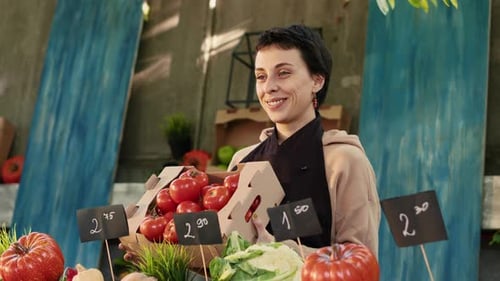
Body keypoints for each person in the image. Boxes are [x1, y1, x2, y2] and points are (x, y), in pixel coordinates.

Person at [228, 24, 380, 258]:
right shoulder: (242, 161)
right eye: (261, 76)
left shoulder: (344, 162)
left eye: (284, 73)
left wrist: (281, 251)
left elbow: (360, 262)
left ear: (317, 81)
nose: (269, 87)